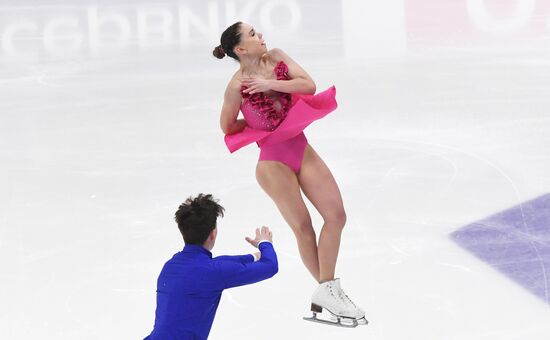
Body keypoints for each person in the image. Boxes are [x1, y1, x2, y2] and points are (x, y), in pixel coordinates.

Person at [213, 22, 367, 327]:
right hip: (272, 163)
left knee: (336, 216)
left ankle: (327, 291)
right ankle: (330, 291)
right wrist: (260, 128)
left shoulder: (277, 58)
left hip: (302, 149)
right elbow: (227, 126)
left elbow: (308, 85)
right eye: (253, 35)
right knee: (304, 227)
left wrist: (274, 86)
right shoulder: (236, 86)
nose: (261, 36)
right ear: (240, 49)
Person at [144, 194, 278, 339]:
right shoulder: (213, 272)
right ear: (213, 234)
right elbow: (271, 266)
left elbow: (217, 265)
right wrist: (265, 243)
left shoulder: (170, 266)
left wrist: (252, 257)